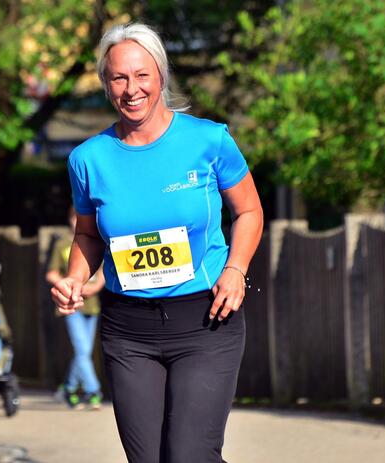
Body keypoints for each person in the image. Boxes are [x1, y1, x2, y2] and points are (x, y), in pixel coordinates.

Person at [51, 23, 263, 463]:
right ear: (106, 84)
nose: (132, 89)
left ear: (161, 75)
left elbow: (249, 212)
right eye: (119, 78)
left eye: (141, 75)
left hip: (205, 320)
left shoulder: (209, 140)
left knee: (188, 455)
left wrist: (236, 270)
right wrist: (75, 277)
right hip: (128, 330)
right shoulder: (87, 159)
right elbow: (87, 234)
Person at [46, 207, 104, 410]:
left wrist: (95, 287)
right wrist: (69, 285)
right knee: (82, 350)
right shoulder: (62, 243)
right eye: (75, 218)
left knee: (83, 352)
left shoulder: (99, 239)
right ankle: (93, 391)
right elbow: (51, 273)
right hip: (73, 305)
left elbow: (103, 272)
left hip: (92, 305)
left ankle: (69, 388)